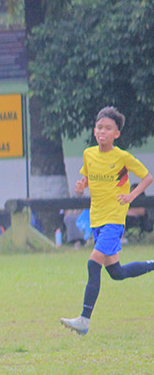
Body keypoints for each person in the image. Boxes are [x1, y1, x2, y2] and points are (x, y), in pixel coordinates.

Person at [60, 106, 154, 335]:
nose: (103, 131)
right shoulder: (89, 154)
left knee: (93, 263)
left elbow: (147, 177)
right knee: (117, 273)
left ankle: (84, 320)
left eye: (108, 128)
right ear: (94, 131)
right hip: (97, 220)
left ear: (116, 134)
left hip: (114, 219)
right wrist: (82, 186)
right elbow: (87, 179)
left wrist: (132, 195)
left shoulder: (122, 157)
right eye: (100, 127)